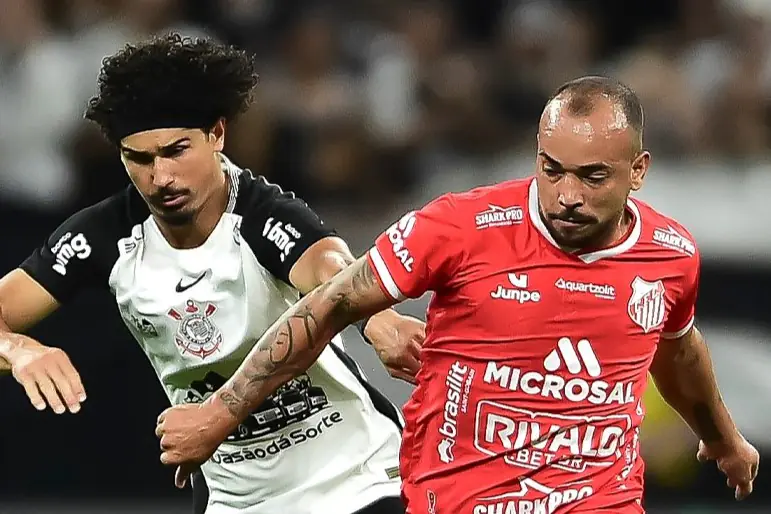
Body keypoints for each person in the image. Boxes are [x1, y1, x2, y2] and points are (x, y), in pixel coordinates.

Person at [155, 76, 760, 513]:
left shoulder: (670, 255)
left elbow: (678, 348)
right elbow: (331, 302)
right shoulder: (460, 227)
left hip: (600, 501)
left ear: (639, 170)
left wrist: (722, 436)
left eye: (592, 176)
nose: (567, 195)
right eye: (552, 169)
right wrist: (222, 412)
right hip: (461, 500)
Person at [0, 34, 424, 514]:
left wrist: (377, 320)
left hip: (357, 480)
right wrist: (19, 349)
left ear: (217, 135)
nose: (161, 178)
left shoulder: (263, 215)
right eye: (139, 159)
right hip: (236, 502)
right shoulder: (104, 236)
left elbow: (332, 273)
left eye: (176, 150)